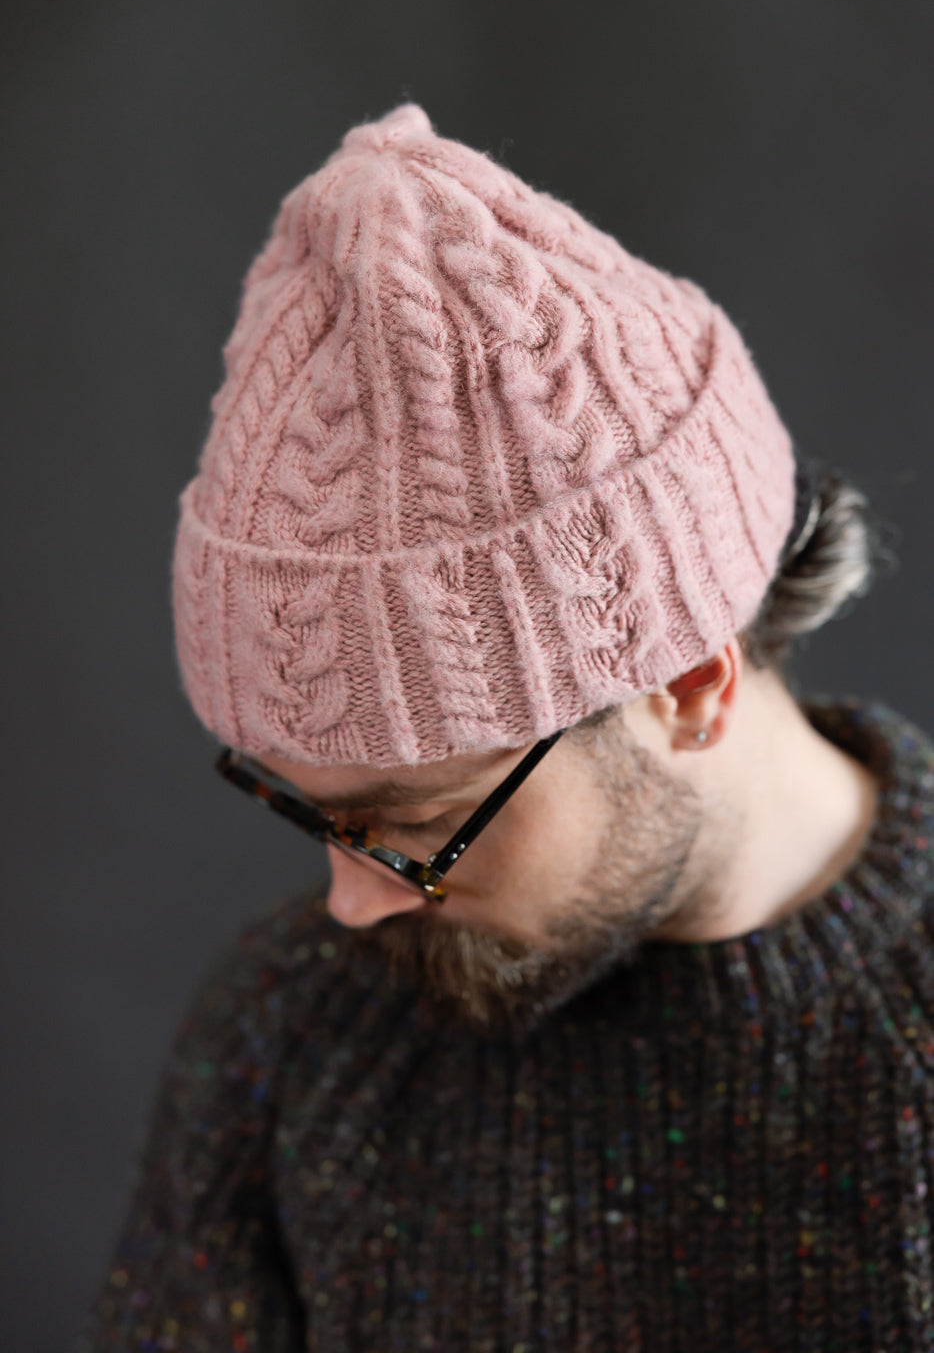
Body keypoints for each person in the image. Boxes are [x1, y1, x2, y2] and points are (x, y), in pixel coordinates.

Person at [77, 105, 934, 1351]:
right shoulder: (291, 1032)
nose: (350, 906)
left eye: (415, 821)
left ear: (689, 685)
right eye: (311, 812)